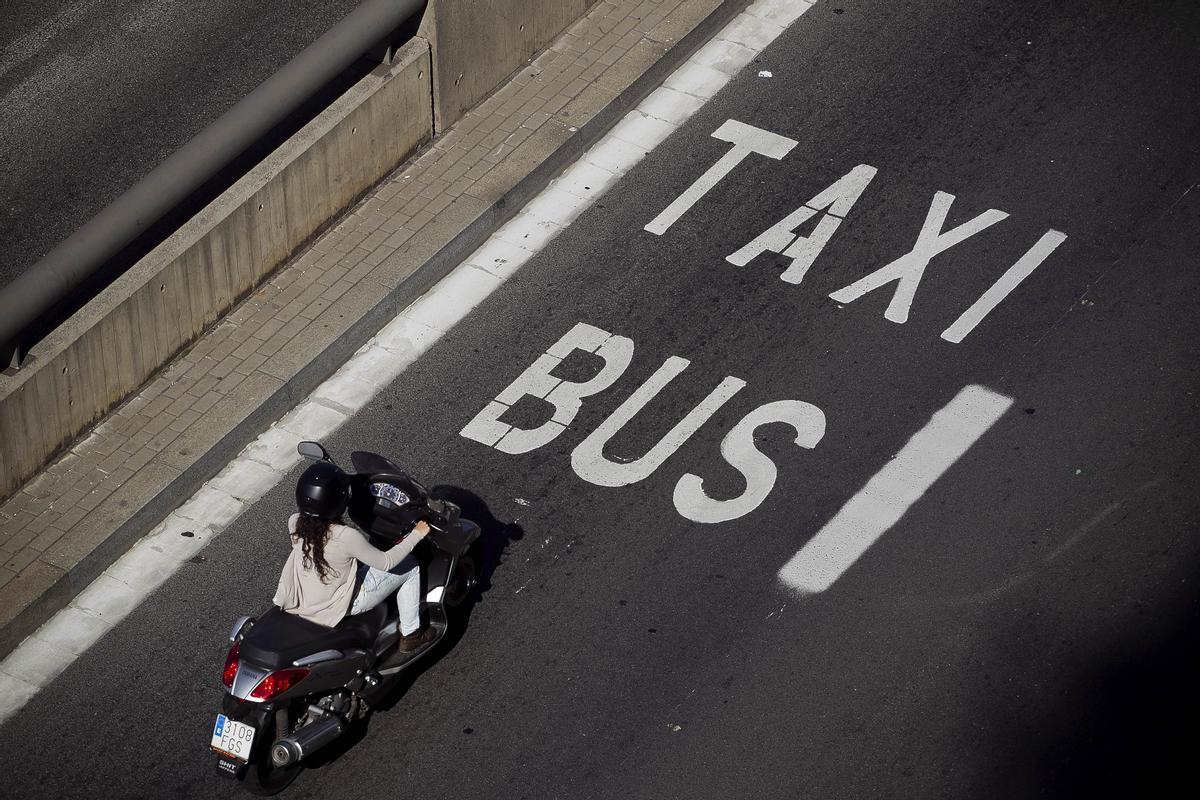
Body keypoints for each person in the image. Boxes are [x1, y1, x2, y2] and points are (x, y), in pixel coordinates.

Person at [272, 461, 437, 652]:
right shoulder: (346, 537)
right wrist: (416, 534)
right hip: (345, 602)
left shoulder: (294, 522)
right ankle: (412, 634)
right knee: (410, 564)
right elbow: (386, 562)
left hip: (307, 598)